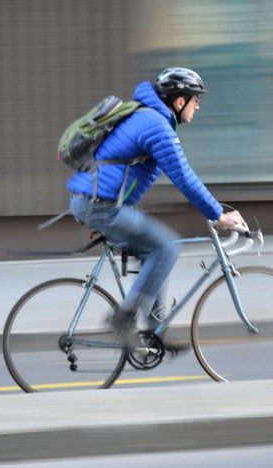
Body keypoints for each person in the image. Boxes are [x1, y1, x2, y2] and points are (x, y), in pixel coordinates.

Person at [67, 67, 244, 349]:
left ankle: (154, 332)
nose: (198, 106)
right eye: (195, 99)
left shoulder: (150, 118)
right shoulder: (156, 126)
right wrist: (218, 214)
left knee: (156, 250)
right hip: (100, 206)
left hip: (97, 203)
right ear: (179, 101)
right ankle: (123, 317)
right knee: (167, 246)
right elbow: (183, 177)